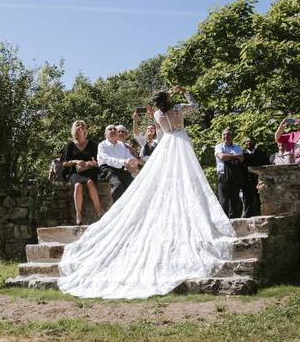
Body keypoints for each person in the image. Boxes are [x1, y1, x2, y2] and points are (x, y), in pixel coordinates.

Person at [58, 86, 235, 299]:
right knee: (186, 178)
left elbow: (160, 131)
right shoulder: (178, 108)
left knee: (168, 178)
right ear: (169, 99)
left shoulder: (159, 114)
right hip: (181, 142)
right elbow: (195, 106)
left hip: (167, 144)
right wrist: (185, 91)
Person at [59, 121, 103, 225]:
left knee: (90, 183)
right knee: (78, 185)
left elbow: (99, 161)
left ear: (85, 129)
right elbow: (64, 163)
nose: (80, 126)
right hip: (75, 172)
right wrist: (76, 161)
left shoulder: (93, 144)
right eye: (77, 125)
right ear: (74, 129)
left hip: (90, 171)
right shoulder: (70, 145)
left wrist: (92, 163)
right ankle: (78, 214)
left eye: (82, 125)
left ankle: (99, 211)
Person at [97, 124, 138, 202]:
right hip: (107, 168)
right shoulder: (102, 145)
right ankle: (117, 209)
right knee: (118, 186)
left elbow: (128, 155)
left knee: (133, 185)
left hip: (121, 168)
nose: (113, 130)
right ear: (105, 134)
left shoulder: (121, 144)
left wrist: (133, 160)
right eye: (110, 129)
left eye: (115, 129)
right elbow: (108, 159)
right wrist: (124, 162)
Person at [214, 129, 245, 218]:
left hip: (234, 175)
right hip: (223, 175)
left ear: (232, 136)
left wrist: (228, 156)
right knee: (223, 201)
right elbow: (222, 156)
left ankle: (236, 221)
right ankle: (225, 222)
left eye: (228, 134)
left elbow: (242, 159)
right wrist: (235, 156)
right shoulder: (218, 147)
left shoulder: (237, 147)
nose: (226, 136)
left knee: (235, 200)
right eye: (224, 134)